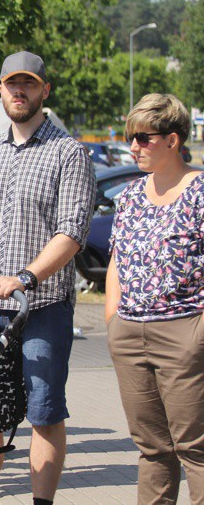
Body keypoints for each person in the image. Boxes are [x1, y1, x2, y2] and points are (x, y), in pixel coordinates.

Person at [0, 51, 95, 504]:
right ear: (1, 89)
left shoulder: (68, 153)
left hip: (42, 306)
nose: (19, 91)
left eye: (28, 83)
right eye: (12, 84)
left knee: (44, 413)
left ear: (44, 90)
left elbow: (71, 232)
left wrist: (26, 277)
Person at [106, 93, 203, 504]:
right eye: (132, 137)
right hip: (130, 331)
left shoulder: (199, 191)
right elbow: (117, 259)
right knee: (152, 448)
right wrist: (113, 320)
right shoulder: (128, 195)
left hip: (184, 331)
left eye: (143, 138)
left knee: (195, 448)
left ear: (173, 140)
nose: (133, 147)